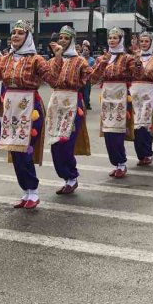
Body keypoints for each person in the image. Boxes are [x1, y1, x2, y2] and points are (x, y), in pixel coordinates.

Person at [0, 20, 54, 208]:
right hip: (11, 109)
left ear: (27, 37)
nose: (15, 36)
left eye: (20, 33)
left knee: (25, 151)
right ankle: (26, 191)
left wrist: (58, 58)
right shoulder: (5, 59)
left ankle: (34, 191)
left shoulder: (36, 59)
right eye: (13, 33)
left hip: (30, 108)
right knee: (14, 152)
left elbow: (54, 80)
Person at [90, 27, 143, 178]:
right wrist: (102, 63)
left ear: (121, 40)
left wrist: (138, 60)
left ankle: (121, 163)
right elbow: (93, 78)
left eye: (115, 38)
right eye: (110, 38)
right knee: (107, 131)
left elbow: (138, 75)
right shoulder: (102, 58)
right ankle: (116, 162)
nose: (112, 40)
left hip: (120, 96)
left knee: (117, 131)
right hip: (106, 96)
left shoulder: (127, 58)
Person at [45, 26, 92, 194]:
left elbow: (90, 78)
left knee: (66, 142)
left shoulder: (80, 61)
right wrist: (57, 58)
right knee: (55, 143)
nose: (62, 41)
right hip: (56, 103)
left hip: (73, 103)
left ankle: (72, 176)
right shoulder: (53, 60)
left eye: (66, 38)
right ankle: (66, 177)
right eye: (61, 38)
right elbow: (51, 80)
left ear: (72, 40)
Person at [130, 31, 153, 166]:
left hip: (148, 92)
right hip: (134, 92)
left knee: (145, 124)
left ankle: (147, 153)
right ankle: (140, 155)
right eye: (141, 41)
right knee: (135, 125)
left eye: (146, 41)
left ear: (151, 42)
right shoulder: (133, 57)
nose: (144, 44)